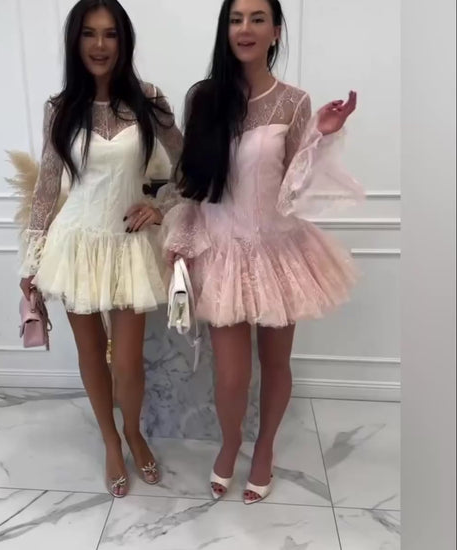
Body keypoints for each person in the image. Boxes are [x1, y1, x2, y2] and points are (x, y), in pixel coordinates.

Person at [162, 0, 362, 505]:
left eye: (257, 19)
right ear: (225, 30)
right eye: (235, 19)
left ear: (275, 31)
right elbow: (193, 179)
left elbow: (296, 185)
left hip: (278, 249)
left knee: (276, 363)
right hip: (222, 250)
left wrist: (320, 138)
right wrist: (181, 239)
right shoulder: (204, 98)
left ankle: (265, 447)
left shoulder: (294, 101)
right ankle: (230, 443)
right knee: (231, 376)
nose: (245, 28)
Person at [19, 0, 183, 498]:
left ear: (123, 40)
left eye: (110, 34)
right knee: (91, 353)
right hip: (75, 244)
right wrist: (31, 260)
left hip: (129, 245)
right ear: (75, 41)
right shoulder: (59, 107)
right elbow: (48, 187)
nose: (99, 45)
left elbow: (189, 164)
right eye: (89, 34)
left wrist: (161, 206)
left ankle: (134, 432)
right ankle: (111, 441)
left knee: (128, 361)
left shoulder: (148, 99)